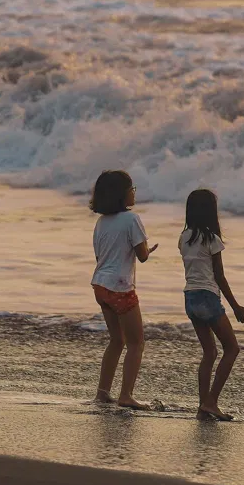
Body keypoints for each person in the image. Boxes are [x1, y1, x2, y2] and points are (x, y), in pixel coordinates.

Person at [179, 188, 244, 421]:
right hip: (208, 297)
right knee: (232, 349)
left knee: (209, 352)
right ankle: (211, 402)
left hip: (189, 297)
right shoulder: (212, 239)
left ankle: (203, 407)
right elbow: (219, 276)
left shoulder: (184, 238)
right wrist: (236, 307)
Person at [90, 170, 156, 409]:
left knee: (116, 340)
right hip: (120, 287)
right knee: (136, 343)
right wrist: (149, 250)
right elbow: (142, 255)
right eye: (132, 189)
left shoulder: (101, 222)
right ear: (122, 194)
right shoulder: (132, 219)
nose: (134, 193)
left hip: (100, 284)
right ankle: (126, 395)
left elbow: (100, 255)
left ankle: (102, 393)